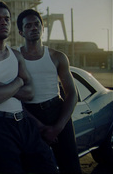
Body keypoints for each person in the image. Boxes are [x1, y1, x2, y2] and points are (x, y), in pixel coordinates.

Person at [0, 1, 58, 173]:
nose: (4, 22)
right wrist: (19, 82)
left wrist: (1, 86)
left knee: (48, 168)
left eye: (7, 19)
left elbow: (30, 93)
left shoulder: (16, 55)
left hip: (24, 123)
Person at [17, 9, 82, 173]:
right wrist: (38, 125)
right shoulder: (15, 57)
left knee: (71, 166)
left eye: (37, 24)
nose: (34, 28)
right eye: (28, 25)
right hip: (29, 116)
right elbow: (13, 96)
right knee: (36, 167)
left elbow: (72, 94)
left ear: (43, 27)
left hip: (57, 112)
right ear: (20, 31)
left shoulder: (57, 56)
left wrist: (58, 127)